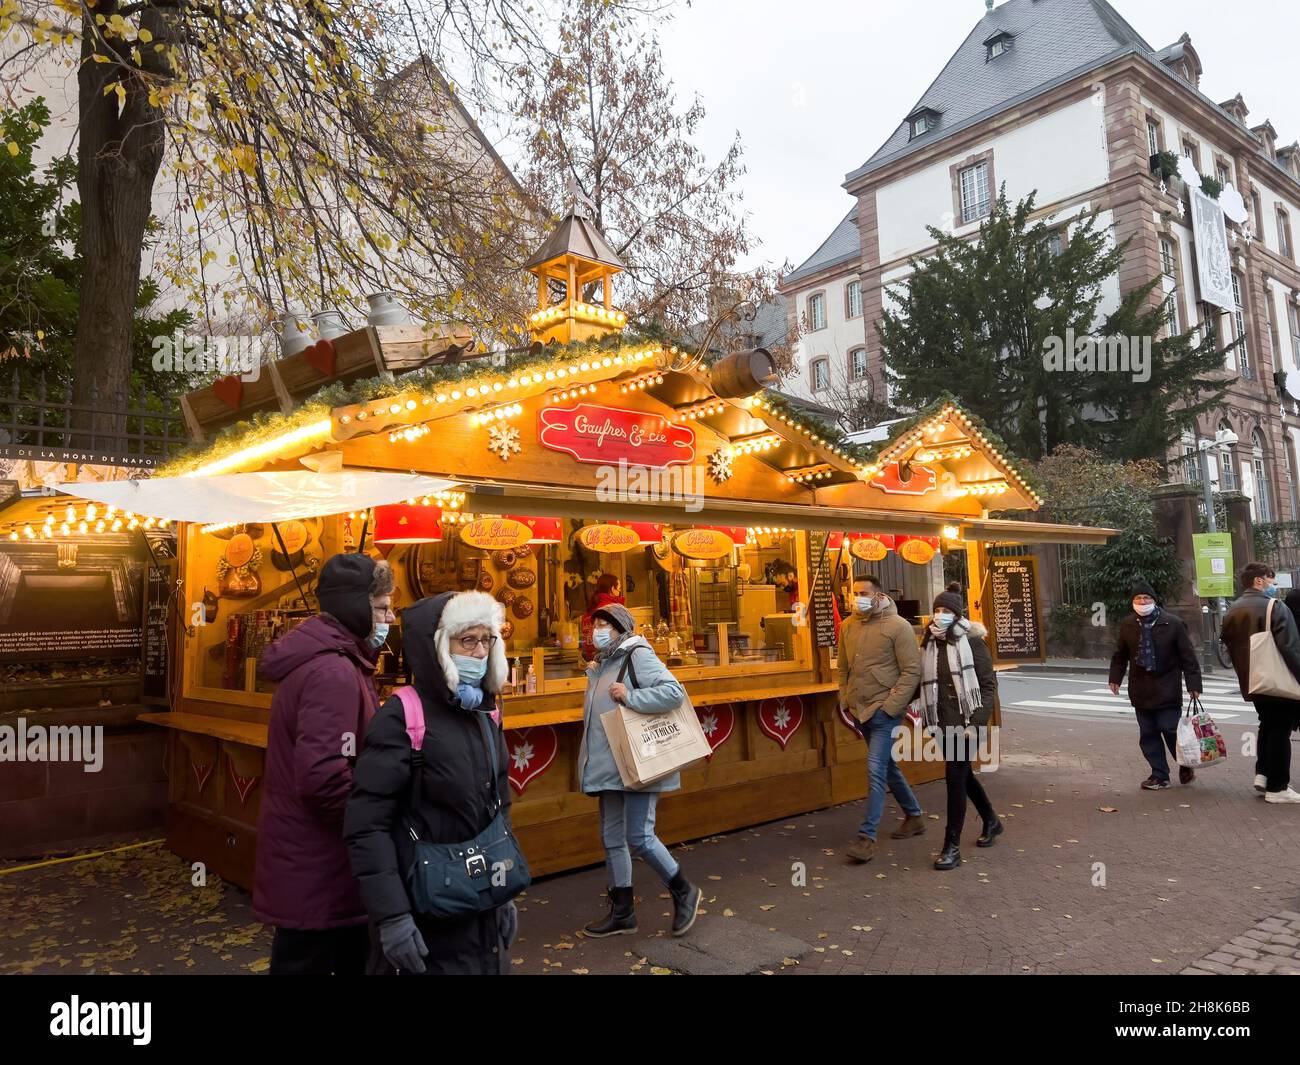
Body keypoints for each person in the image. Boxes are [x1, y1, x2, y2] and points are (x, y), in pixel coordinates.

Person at [344, 590, 518, 974]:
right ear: (436, 647)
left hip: (480, 910)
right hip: (424, 914)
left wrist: (501, 889)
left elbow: (498, 808)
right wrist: (392, 917)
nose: (478, 652)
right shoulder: (401, 718)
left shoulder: (484, 712)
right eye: (466, 640)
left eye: (486, 639)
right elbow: (367, 826)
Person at [254, 553, 394, 975]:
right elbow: (324, 777)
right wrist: (368, 828)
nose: (390, 617)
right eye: (382, 608)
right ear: (355, 607)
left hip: (311, 862)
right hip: (322, 864)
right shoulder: (332, 671)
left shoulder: (336, 660)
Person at [578, 604, 702, 938]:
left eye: (605, 624)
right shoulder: (604, 663)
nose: (598, 630)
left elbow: (674, 693)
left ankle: (683, 890)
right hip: (609, 766)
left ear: (620, 628)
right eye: (595, 625)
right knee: (612, 838)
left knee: (639, 836)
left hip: (637, 761)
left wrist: (631, 696)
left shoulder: (637, 654)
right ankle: (623, 913)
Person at [839, 574, 925, 863]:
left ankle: (867, 837)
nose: (858, 597)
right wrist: (845, 699)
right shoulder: (847, 625)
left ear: (878, 595)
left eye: (863, 593)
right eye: (855, 592)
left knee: (875, 770)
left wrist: (890, 707)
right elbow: (843, 669)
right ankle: (914, 816)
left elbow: (912, 671)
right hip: (859, 709)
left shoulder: (898, 627)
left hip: (885, 712)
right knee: (888, 768)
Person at [914, 585, 999, 870]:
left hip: (967, 723)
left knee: (954, 777)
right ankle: (991, 820)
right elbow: (920, 683)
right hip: (940, 722)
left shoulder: (972, 641)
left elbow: (988, 687)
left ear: (957, 614)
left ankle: (951, 846)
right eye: (937, 610)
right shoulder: (928, 643)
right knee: (963, 775)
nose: (940, 616)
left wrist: (975, 723)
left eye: (946, 611)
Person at [1107, 578, 1202, 791]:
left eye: (1146, 597)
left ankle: (1185, 764)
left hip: (1167, 685)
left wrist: (1194, 684)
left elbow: (1188, 656)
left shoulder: (1173, 623)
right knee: (1148, 733)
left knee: (1169, 728)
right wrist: (1115, 677)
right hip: (1140, 688)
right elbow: (1120, 654)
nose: (1142, 601)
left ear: (1154, 600)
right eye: (1138, 598)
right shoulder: (1128, 624)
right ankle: (1159, 775)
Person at [1221, 563, 1300, 803]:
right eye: (1271, 581)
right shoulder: (1274, 607)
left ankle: (1263, 774)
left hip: (1251, 680)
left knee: (1267, 724)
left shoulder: (1232, 609)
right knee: (1280, 730)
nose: (1273, 586)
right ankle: (1278, 787)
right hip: (1276, 678)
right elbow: (1290, 647)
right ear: (1259, 581)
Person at [580, 572, 625, 661]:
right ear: (612, 589)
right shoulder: (613, 609)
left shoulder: (589, 611)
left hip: (591, 661)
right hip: (610, 661)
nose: (620, 592)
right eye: (619, 589)